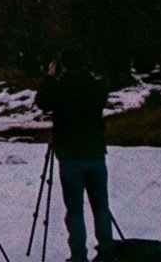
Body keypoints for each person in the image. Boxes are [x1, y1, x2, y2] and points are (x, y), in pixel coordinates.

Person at [35, 51, 117, 262]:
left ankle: (78, 254)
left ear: (63, 65)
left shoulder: (60, 87)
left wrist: (50, 77)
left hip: (70, 155)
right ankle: (107, 249)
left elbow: (42, 101)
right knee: (101, 205)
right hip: (96, 153)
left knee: (75, 209)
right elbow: (103, 89)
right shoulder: (96, 86)